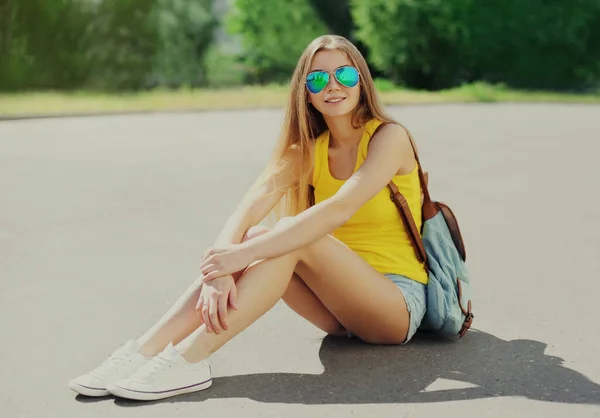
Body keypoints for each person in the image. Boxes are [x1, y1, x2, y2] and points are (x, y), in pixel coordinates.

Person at [68, 34, 428, 401]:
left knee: (289, 235)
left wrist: (237, 258)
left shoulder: (389, 137)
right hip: (338, 309)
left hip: (395, 304)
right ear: (305, 92)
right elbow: (248, 207)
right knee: (256, 233)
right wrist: (220, 270)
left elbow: (340, 208)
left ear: (362, 83)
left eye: (345, 76)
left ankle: (190, 358)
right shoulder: (306, 150)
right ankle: (143, 351)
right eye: (318, 79)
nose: (333, 86)